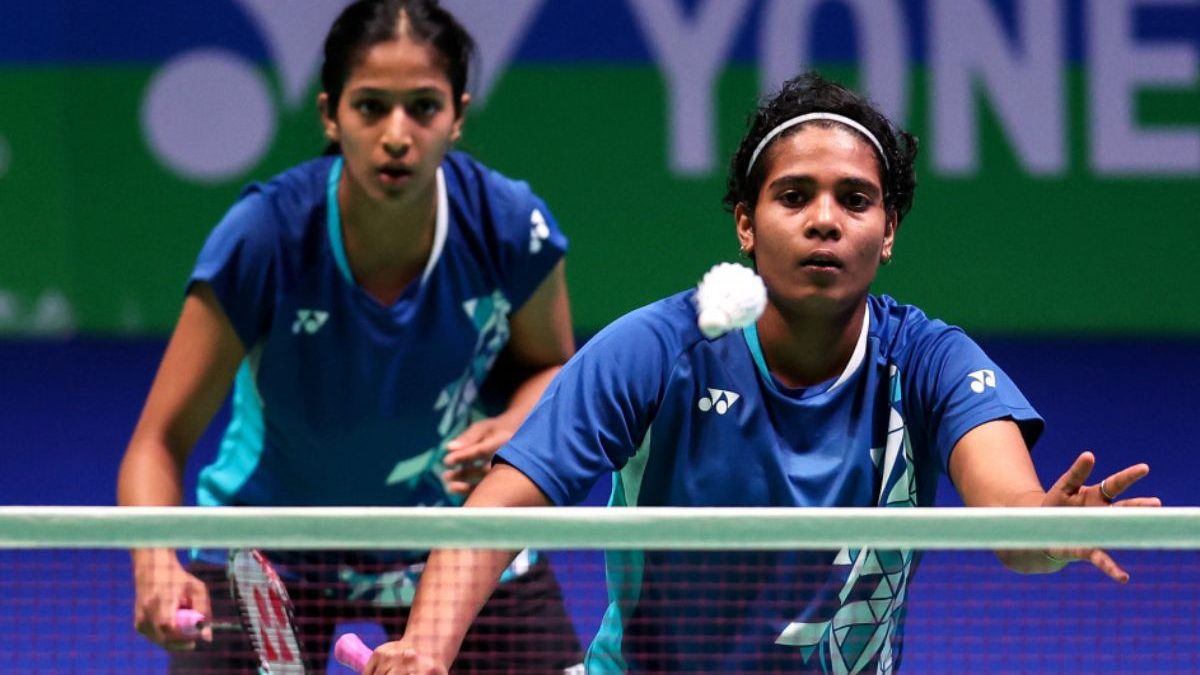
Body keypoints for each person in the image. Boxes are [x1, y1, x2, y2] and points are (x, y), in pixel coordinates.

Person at [362, 71, 1162, 674]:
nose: (824, 219)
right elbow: (501, 507)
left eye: (855, 199)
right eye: (793, 196)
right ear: (746, 223)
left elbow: (1006, 518)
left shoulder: (928, 359)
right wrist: (427, 646)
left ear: (888, 233)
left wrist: (1046, 531)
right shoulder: (659, 347)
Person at [116, 0, 582, 671]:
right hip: (266, 541)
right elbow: (157, 441)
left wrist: (517, 420)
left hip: (447, 537)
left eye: (423, 106)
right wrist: (155, 561)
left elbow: (550, 365)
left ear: (458, 115)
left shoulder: (508, 223)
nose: (397, 134)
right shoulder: (266, 235)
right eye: (371, 107)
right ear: (332, 115)